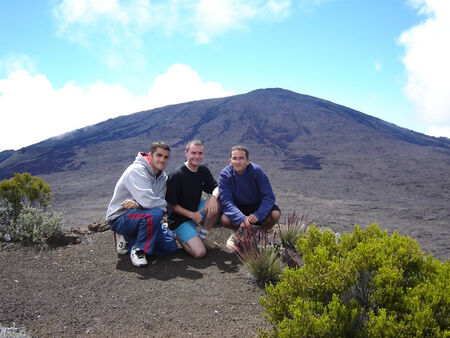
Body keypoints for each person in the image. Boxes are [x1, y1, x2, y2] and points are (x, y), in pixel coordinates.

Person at [106, 141, 178, 267]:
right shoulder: (137, 171)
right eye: (159, 155)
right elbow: (149, 201)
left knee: (170, 246)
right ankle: (139, 249)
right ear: (150, 156)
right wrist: (164, 206)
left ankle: (128, 240)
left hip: (141, 214)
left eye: (166, 157)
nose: (162, 160)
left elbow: (153, 201)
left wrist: (139, 205)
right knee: (155, 213)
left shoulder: (162, 177)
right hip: (120, 217)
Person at [218, 145, 281, 250]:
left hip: (257, 205)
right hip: (238, 206)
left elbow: (269, 197)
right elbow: (226, 201)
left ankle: (260, 232)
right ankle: (238, 234)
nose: (237, 162)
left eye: (241, 158)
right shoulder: (225, 174)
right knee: (225, 219)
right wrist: (241, 218)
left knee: (275, 214)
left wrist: (259, 214)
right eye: (234, 158)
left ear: (248, 161)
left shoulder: (257, 171)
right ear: (230, 161)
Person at [165, 140, 220, 258]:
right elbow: (172, 205)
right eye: (193, 153)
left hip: (196, 212)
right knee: (200, 253)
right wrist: (192, 215)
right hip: (179, 220)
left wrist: (214, 197)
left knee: (219, 201)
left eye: (200, 153)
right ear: (186, 153)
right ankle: (177, 236)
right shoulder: (177, 175)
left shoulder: (202, 170)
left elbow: (216, 187)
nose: (197, 156)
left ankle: (202, 235)